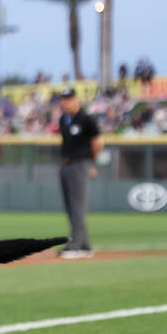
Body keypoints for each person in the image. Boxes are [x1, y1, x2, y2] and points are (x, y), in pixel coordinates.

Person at [57, 87, 103, 259]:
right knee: (70, 206)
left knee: (78, 207)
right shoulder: (64, 119)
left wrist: (90, 161)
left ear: (77, 100)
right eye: (63, 99)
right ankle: (84, 245)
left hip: (80, 165)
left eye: (68, 99)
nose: (65, 102)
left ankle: (74, 245)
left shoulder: (86, 119)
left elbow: (98, 142)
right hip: (66, 164)